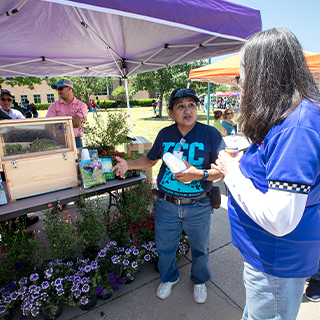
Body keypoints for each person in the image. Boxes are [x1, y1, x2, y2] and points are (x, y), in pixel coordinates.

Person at [214, 28, 320, 320]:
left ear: (264, 72)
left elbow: (279, 217)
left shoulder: (297, 125)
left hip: (277, 262)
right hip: (269, 259)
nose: (241, 82)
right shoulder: (287, 114)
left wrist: (233, 173)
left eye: (242, 73)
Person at [113, 88, 225, 304]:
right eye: (180, 106)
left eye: (191, 104)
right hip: (167, 204)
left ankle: (199, 280)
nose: (187, 110)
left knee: (200, 248)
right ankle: (169, 277)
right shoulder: (165, 134)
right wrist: (129, 165)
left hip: (198, 205)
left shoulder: (210, 134)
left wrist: (198, 174)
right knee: (164, 247)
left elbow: (222, 170)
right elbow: (151, 159)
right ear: (171, 111)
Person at [46, 79, 88, 148]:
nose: (59, 91)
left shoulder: (81, 105)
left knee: (78, 159)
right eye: (57, 90)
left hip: (76, 141)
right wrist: (69, 121)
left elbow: (77, 123)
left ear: (69, 88)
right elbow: (48, 123)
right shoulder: (53, 105)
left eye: (60, 88)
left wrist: (57, 122)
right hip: (59, 142)